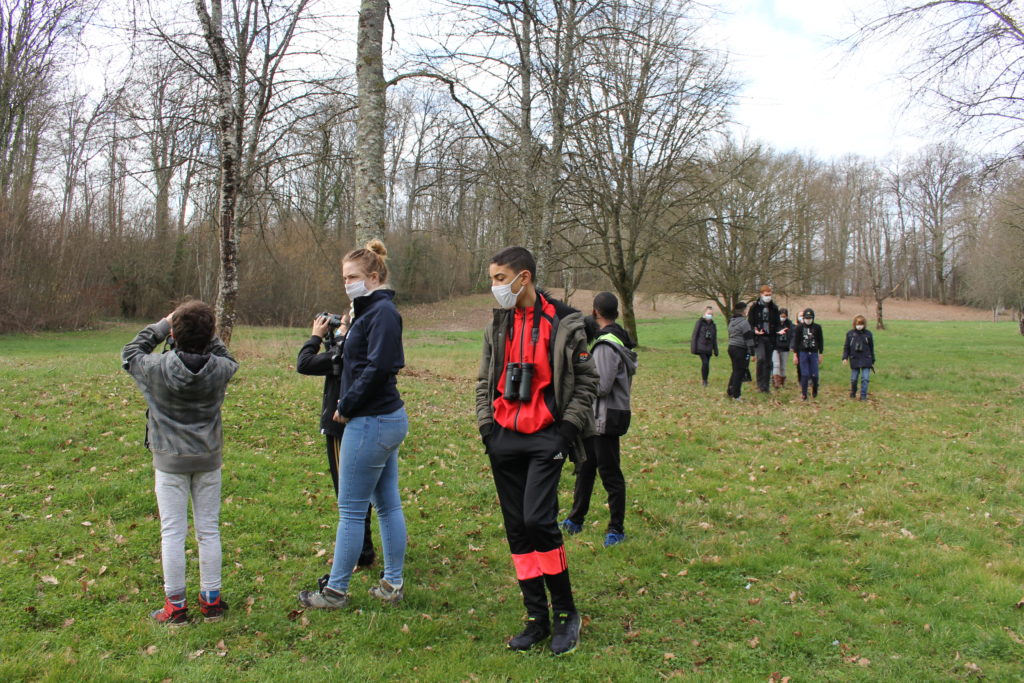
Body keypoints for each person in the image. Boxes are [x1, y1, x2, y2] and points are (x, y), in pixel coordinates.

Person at [475, 246, 598, 655]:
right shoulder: (498, 323)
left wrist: (565, 432)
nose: (494, 287)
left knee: (538, 521)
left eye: (498, 278)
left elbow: (586, 382)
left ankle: (566, 613)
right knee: (516, 528)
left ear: (522, 277)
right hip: (504, 438)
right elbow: (482, 379)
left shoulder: (564, 321)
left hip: (547, 437)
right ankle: (536, 618)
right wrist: (487, 429)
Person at [299, 240, 408, 609]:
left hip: (372, 420)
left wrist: (346, 404)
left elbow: (379, 368)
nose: (347, 283)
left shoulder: (382, 313)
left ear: (373, 277)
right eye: (344, 277)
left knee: (351, 510)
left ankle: (335, 591)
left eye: (353, 277)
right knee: (387, 504)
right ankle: (392, 584)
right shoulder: (367, 311)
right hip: (381, 419)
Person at [121, 300, 239, 625]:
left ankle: (176, 607)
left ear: (174, 332)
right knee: (208, 530)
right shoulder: (221, 368)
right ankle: (211, 602)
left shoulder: (154, 369)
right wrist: (207, 334)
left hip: (169, 459)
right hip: (208, 457)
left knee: (172, 531)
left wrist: (162, 325)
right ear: (211, 334)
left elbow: (130, 352)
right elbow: (228, 358)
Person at [296, 314, 377, 569]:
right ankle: (364, 549)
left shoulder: (344, 353)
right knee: (365, 492)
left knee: (349, 493)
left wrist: (316, 336)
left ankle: (360, 552)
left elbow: (304, 363)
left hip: (341, 426)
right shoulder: (371, 347)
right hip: (369, 423)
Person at [561, 292, 638, 548]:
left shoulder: (605, 344)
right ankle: (575, 519)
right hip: (597, 418)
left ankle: (616, 529)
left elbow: (601, 385)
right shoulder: (616, 338)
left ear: (595, 311)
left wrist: (576, 383)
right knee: (585, 469)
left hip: (604, 420)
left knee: (610, 474)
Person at [747, 285, 780, 393]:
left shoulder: (774, 308)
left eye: (770, 295)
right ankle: (760, 384)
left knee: (768, 362)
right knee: (761, 359)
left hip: (770, 338)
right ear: (761, 295)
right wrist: (754, 330)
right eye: (766, 295)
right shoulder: (755, 307)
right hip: (759, 337)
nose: (768, 297)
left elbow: (777, 324)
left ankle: (766, 386)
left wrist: (777, 334)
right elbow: (750, 323)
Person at [791, 307, 824, 401]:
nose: (808, 320)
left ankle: (815, 389)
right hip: (803, 353)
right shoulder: (799, 328)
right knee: (804, 374)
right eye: (806, 318)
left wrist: (820, 353)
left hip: (813, 353)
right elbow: (796, 342)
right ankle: (804, 394)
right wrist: (795, 355)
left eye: (810, 318)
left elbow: (820, 341)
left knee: (815, 375)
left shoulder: (817, 327)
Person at [842, 314, 875, 400]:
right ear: (854, 324)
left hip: (866, 359)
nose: (859, 326)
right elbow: (846, 347)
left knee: (865, 379)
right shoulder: (850, 334)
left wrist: (872, 360)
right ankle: (853, 391)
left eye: (861, 324)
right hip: (854, 359)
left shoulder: (868, 334)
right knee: (854, 379)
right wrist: (845, 357)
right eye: (858, 324)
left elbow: (871, 347)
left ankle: (863, 396)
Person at [727, 301, 755, 401]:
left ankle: (730, 390)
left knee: (735, 370)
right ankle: (736, 395)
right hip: (740, 349)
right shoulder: (744, 323)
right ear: (744, 311)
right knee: (739, 372)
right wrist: (752, 352)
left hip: (731, 347)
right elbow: (748, 338)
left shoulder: (732, 321)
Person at [690, 306, 718, 387]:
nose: (710, 315)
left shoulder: (713, 325)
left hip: (709, 348)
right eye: (708, 313)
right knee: (705, 362)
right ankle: (704, 381)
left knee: (707, 364)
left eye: (711, 314)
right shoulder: (699, 322)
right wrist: (693, 348)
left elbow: (714, 338)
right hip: (700, 347)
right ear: (704, 314)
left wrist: (716, 350)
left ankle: (705, 379)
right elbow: (694, 335)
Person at [772, 307, 793, 389]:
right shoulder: (774, 324)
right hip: (775, 347)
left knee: (783, 366)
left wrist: (791, 345)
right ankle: (776, 382)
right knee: (776, 364)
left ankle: (782, 382)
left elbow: (792, 335)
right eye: (781, 316)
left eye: (784, 316)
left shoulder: (789, 324)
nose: (782, 318)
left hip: (785, 348)